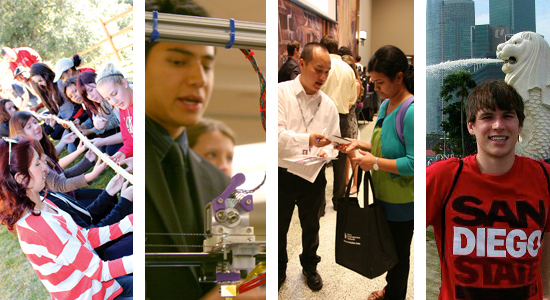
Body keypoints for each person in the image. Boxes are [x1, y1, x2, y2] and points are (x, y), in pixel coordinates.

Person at [426, 81, 550, 300]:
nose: (498, 125)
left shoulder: (545, 177)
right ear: (471, 126)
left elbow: (547, 246)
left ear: (520, 125)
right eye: (487, 117)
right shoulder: (444, 177)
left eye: (508, 116)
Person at [0, 137, 133, 299]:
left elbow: (84, 236)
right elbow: (100, 271)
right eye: (37, 164)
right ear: (21, 179)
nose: (45, 168)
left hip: (101, 286)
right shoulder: (41, 227)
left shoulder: (41, 203)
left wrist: (130, 223)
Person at [339, 45, 414, 300]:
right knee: (387, 250)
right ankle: (389, 289)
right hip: (381, 196)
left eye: (380, 82)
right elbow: (384, 148)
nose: (375, 88)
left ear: (399, 77)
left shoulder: (411, 110)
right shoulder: (385, 106)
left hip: (403, 202)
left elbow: (413, 163)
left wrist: (376, 163)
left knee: (399, 257)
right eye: (373, 82)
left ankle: (394, 295)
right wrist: (360, 145)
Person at [278, 42, 340, 292]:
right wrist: (308, 139)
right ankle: (279, 268)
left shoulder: (328, 105)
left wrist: (329, 150)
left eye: (327, 72)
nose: (323, 77)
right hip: (283, 173)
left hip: (313, 174)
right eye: (318, 70)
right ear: (301, 64)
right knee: (279, 225)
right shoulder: (281, 94)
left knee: (312, 225)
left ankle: (310, 267)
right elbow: (276, 136)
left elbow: (334, 142)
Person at [319, 35, 357, 211]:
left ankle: (319, 205)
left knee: (318, 159)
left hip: (321, 117)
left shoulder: (320, 67)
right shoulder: (347, 69)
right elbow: (351, 100)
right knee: (342, 163)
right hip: (342, 118)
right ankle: (339, 201)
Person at [77, 71, 123, 156]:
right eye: (86, 94)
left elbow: (125, 130)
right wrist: (96, 122)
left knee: (110, 149)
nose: (90, 96)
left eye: (91, 90)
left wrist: (92, 132)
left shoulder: (117, 97)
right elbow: (99, 117)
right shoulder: (103, 102)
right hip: (127, 132)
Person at [96, 62, 134, 163]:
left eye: (114, 93)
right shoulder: (123, 107)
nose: (114, 102)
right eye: (108, 98)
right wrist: (123, 152)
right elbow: (129, 139)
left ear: (124, 83)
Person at [29, 63, 75, 140]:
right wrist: (55, 118)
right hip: (64, 120)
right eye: (37, 82)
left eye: (40, 80)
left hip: (72, 119)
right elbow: (61, 109)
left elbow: (74, 105)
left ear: (46, 75)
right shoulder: (51, 88)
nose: (40, 84)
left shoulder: (59, 84)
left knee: (70, 147)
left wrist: (70, 119)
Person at [341, 54, 364, 195]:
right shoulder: (347, 82)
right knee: (345, 153)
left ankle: (356, 183)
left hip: (349, 120)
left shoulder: (355, 82)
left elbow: (349, 105)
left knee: (352, 155)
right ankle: (346, 180)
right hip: (344, 118)